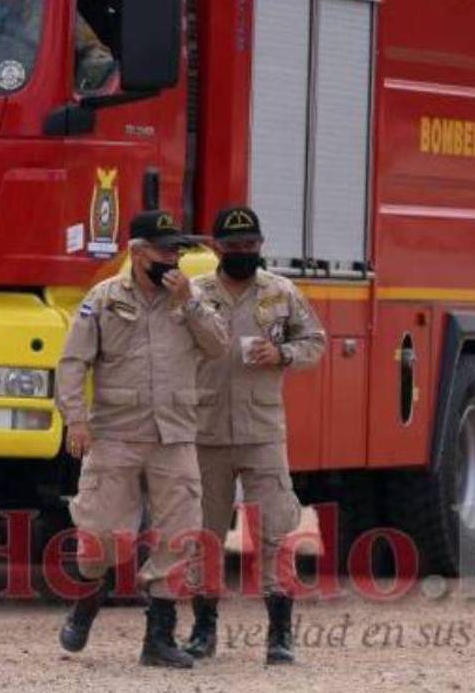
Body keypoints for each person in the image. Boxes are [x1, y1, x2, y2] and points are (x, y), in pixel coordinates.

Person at [55, 209, 229, 669]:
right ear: (137, 252)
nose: (172, 259)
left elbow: (219, 346)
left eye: (177, 251)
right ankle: (87, 604)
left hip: (174, 435)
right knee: (99, 536)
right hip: (115, 433)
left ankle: (159, 637)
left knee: (178, 534)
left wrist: (191, 302)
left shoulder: (188, 298)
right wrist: (75, 419)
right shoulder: (104, 298)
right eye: (164, 250)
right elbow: (74, 362)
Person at [184, 205, 326, 666]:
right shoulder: (196, 295)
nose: (242, 252)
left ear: (261, 245)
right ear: (216, 247)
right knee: (204, 534)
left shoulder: (281, 293)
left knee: (275, 529)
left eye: (250, 245)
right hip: (206, 431)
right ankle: (203, 630)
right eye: (232, 246)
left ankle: (280, 634)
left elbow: (316, 343)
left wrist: (282, 352)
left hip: (262, 432)